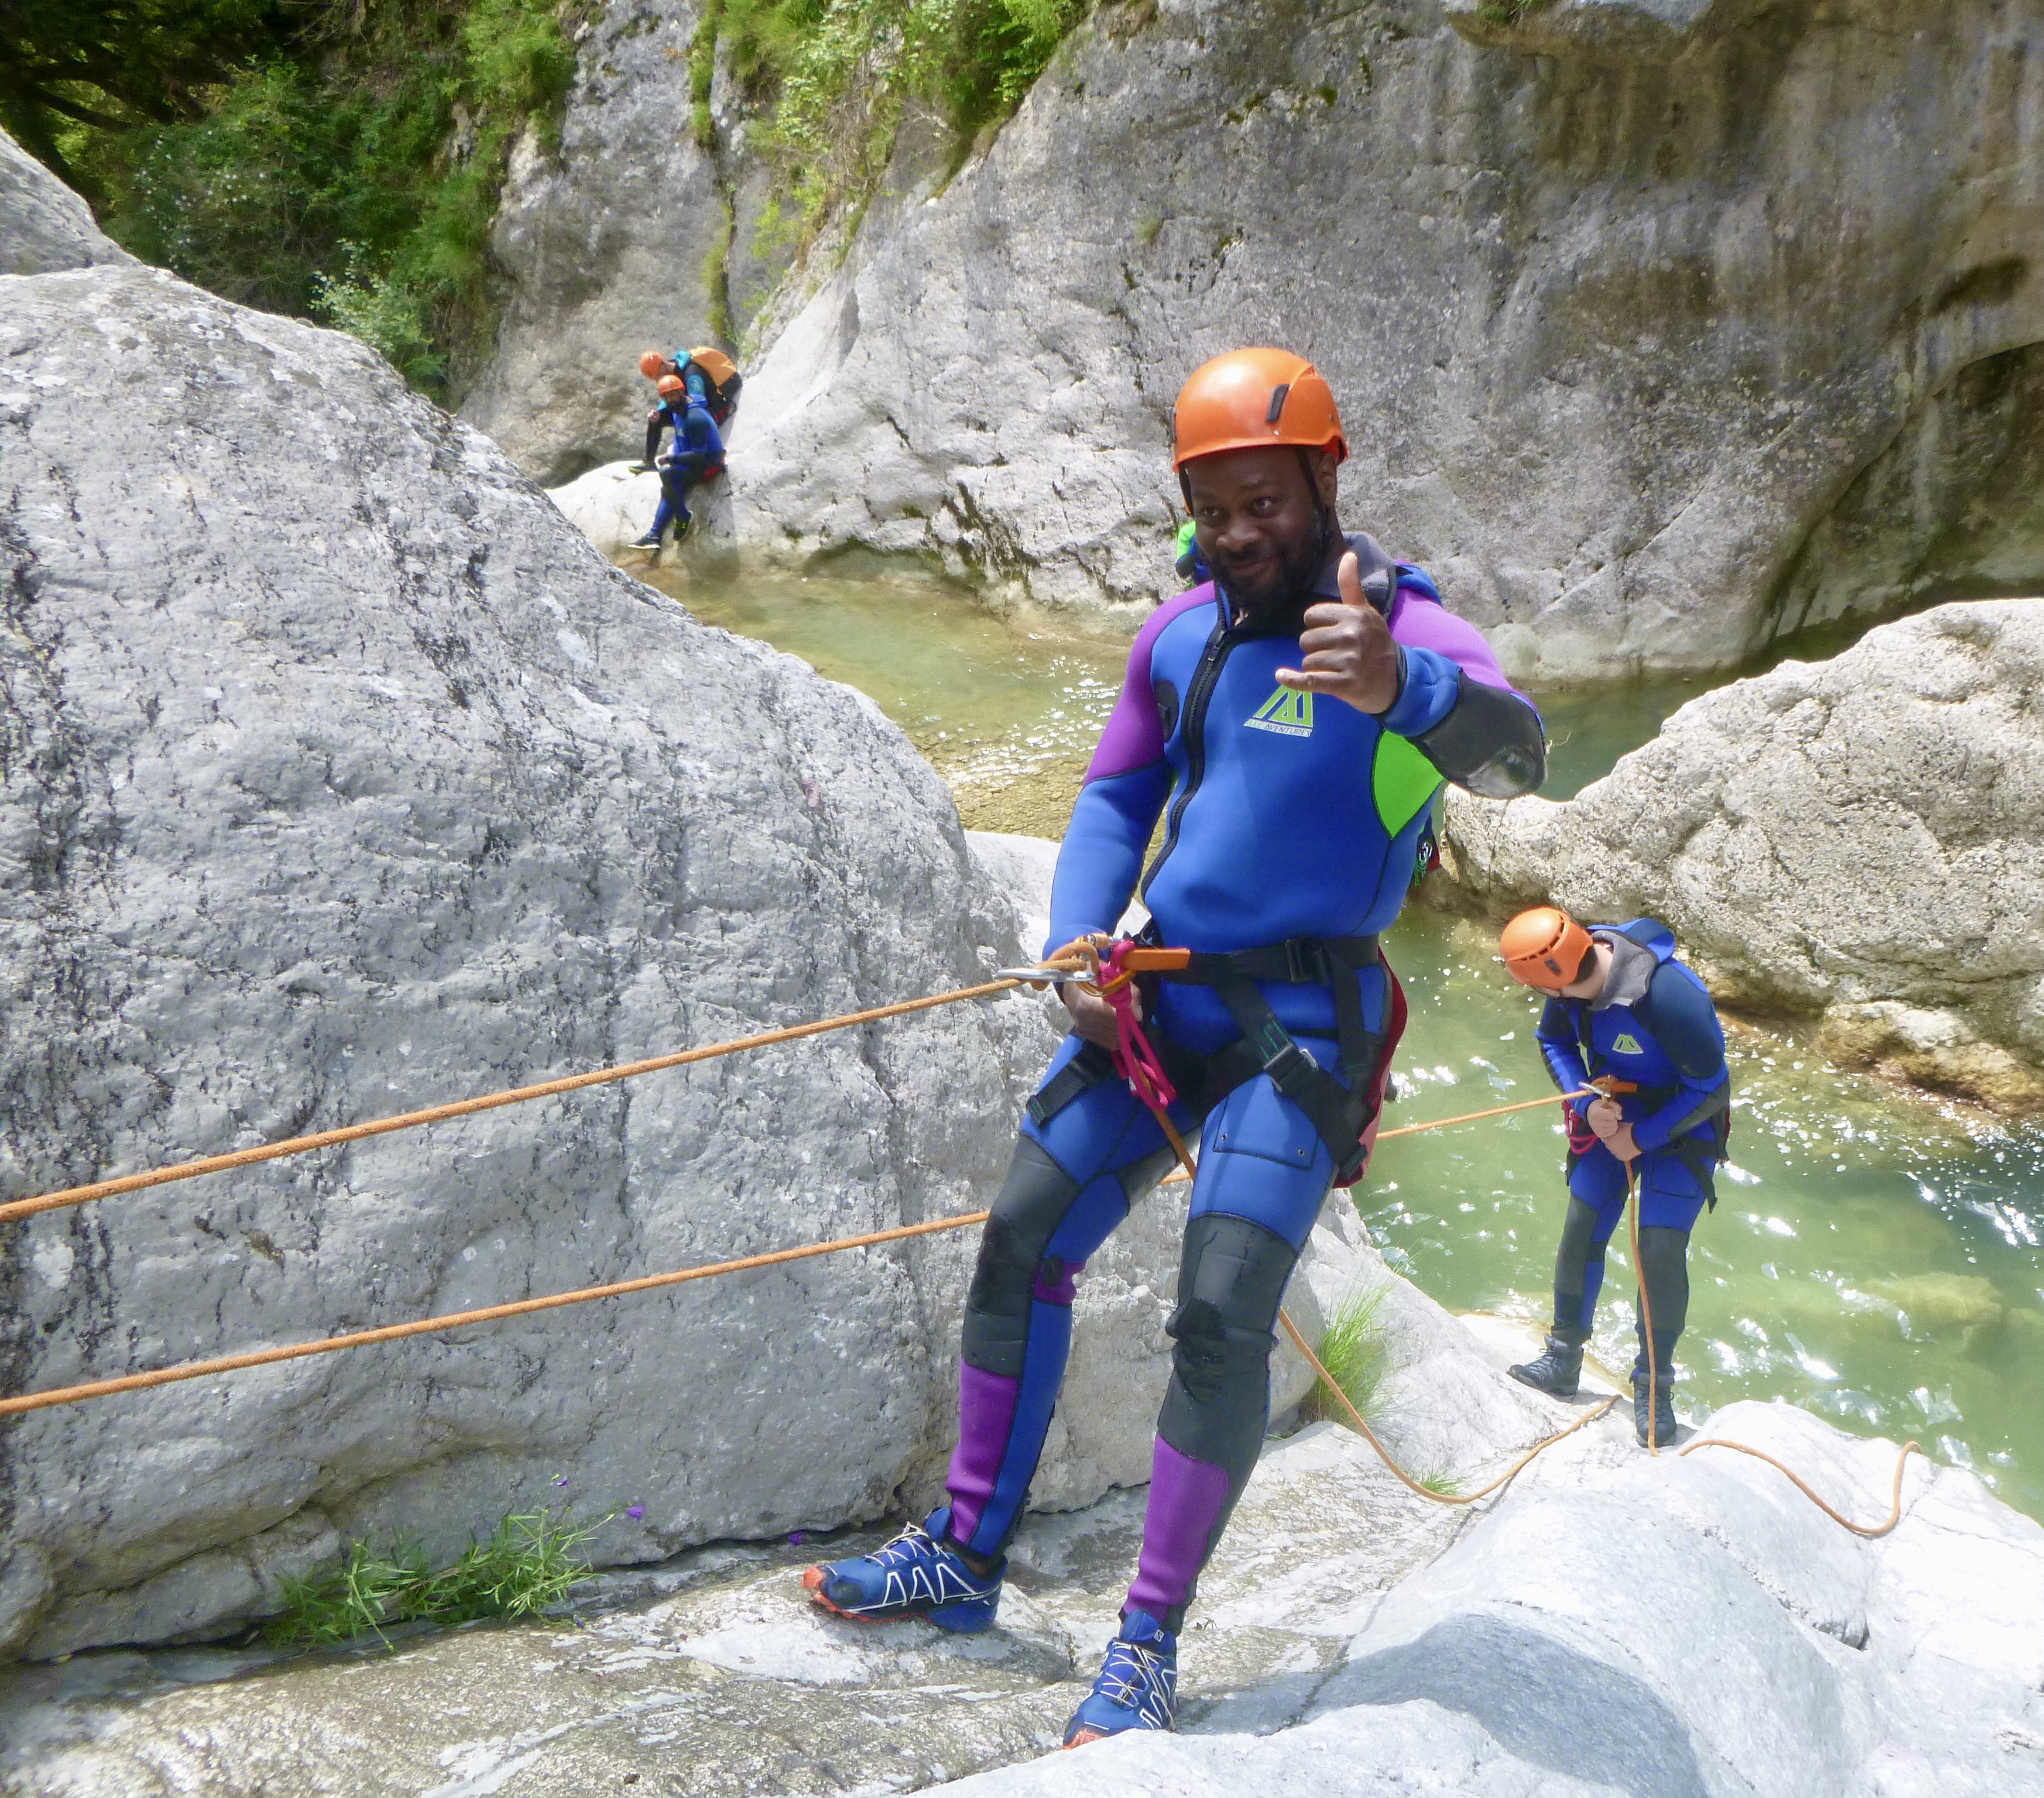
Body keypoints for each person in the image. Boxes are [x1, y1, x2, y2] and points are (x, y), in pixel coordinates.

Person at [801, 347, 1545, 1747]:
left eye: (1265, 499)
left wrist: (1404, 696)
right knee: (1021, 1239)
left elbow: (1523, 760)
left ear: (1327, 478)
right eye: (1214, 506)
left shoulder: (1400, 639)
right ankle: (962, 1552)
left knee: (1215, 1313)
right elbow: (1112, 791)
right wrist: (1077, 935)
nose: (1239, 530)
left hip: (1301, 1027)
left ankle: (1145, 1642)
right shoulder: (1184, 635)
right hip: (1160, 1000)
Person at [1497, 907, 1730, 1449]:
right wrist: (1586, 1106)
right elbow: (1553, 1043)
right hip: (1612, 1112)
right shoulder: (1565, 989)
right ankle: (1563, 1360)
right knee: (1582, 1225)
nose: (1548, 1001)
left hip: (1682, 1123)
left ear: (1557, 977)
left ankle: (1655, 1387)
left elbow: (1713, 1088)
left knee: (1660, 1249)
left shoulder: (1670, 994)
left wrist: (1641, 1138)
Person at [633, 373, 722, 551]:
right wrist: (658, 420)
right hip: (691, 462)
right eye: (666, 396)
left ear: (682, 392)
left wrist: (672, 458)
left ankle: (682, 517)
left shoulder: (694, 417)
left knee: (667, 475)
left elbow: (699, 455)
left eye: (673, 395)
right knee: (669, 488)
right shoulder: (678, 411)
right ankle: (654, 536)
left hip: (708, 465)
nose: (670, 400)